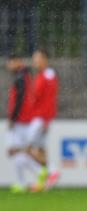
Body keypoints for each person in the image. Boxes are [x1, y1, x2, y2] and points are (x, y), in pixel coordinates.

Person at [5, 53, 41, 194]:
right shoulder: (24, 75)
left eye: (10, 63)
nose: (8, 66)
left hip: (21, 121)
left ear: (17, 62)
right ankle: (22, 181)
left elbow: (19, 100)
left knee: (14, 150)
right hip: (24, 120)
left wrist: (13, 118)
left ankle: (40, 172)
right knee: (17, 152)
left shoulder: (20, 77)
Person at [28, 48, 60, 192]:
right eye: (34, 59)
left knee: (27, 148)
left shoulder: (48, 76)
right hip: (39, 117)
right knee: (41, 149)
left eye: (38, 59)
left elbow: (49, 100)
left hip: (41, 118)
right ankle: (44, 181)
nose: (35, 62)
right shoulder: (42, 76)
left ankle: (51, 171)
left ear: (44, 60)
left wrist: (46, 119)